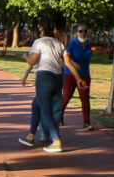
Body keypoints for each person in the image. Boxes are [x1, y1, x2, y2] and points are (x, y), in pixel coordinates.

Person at [19, 13, 86, 152]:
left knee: (45, 109)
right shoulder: (58, 43)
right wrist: (79, 78)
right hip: (57, 79)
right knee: (36, 104)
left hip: (45, 78)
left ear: (42, 28)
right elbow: (67, 62)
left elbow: (33, 61)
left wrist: (26, 56)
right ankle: (31, 135)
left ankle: (56, 140)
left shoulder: (39, 42)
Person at [62, 23, 95, 131]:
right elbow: (67, 57)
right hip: (70, 74)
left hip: (85, 75)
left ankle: (86, 122)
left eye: (85, 31)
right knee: (66, 97)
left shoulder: (89, 45)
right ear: (77, 33)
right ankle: (58, 116)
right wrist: (73, 63)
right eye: (80, 31)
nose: (83, 33)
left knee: (85, 99)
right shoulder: (72, 43)